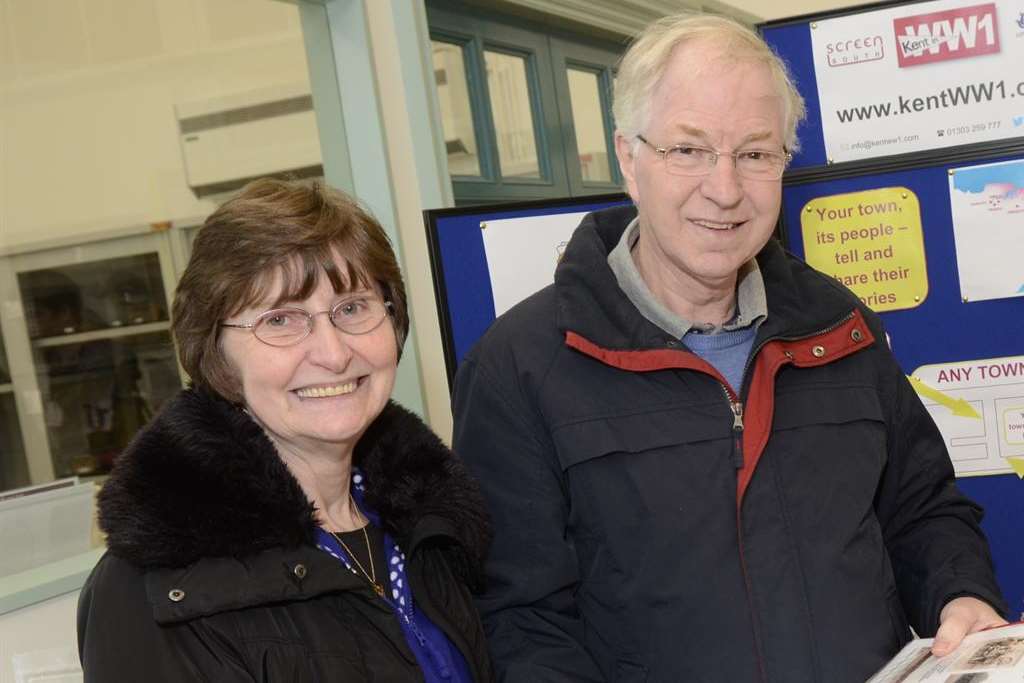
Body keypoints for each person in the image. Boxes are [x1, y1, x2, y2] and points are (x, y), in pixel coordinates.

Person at [451, 13, 1007, 683]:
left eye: (754, 152)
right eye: (689, 150)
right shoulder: (521, 367)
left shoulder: (842, 328)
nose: (725, 188)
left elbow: (923, 510)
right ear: (630, 158)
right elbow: (521, 623)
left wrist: (961, 594)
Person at [78, 178, 494, 682]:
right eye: (280, 320)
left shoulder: (431, 527)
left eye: (353, 308)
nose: (334, 353)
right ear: (218, 354)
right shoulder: (153, 590)